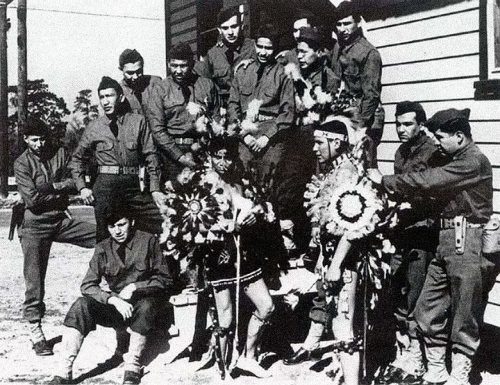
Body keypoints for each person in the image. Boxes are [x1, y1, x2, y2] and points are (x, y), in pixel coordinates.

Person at [369, 108, 496, 385]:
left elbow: (428, 181)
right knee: (427, 308)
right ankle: (436, 370)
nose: (435, 143)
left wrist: (385, 181)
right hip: (446, 240)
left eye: (440, 137)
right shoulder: (452, 158)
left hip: (468, 241)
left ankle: (459, 376)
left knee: (465, 314)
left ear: (460, 137)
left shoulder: (472, 161)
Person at [48, 205, 172, 385]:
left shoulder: (148, 241)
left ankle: (132, 366)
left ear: (132, 222)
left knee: (146, 306)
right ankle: (63, 372)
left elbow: (165, 279)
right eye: (112, 227)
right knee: (81, 305)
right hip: (116, 306)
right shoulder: (103, 248)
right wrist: (111, 299)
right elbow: (88, 285)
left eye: (122, 225)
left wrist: (136, 287)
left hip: (143, 306)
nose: (118, 231)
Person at [14, 118, 96, 356]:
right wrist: (61, 192)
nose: (40, 144)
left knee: (101, 235)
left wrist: (53, 188)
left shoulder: (60, 152)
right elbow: (33, 201)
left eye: (42, 139)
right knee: (35, 279)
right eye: (34, 139)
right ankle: (35, 331)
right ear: (26, 140)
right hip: (33, 225)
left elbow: (76, 178)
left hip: (60, 220)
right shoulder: (22, 163)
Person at [198, 137, 276, 378]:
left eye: (227, 157)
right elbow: (194, 226)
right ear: (209, 158)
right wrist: (219, 227)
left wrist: (254, 217)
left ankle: (248, 357)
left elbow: (256, 208)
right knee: (226, 319)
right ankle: (222, 369)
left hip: (244, 254)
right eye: (217, 157)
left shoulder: (239, 184)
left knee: (267, 306)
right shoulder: (200, 186)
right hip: (219, 257)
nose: (222, 162)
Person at [378, 102, 440, 385]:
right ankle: (406, 349)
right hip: (400, 231)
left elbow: (434, 192)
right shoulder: (400, 152)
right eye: (398, 124)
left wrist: (409, 206)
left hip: (423, 232)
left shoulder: (433, 152)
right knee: (396, 288)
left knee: (417, 293)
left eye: (408, 124)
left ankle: (420, 359)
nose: (401, 130)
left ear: (421, 125)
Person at [69, 76, 166, 242]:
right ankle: (104, 267)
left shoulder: (138, 122)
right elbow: (77, 160)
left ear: (120, 97)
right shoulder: (94, 127)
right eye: (102, 97)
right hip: (105, 186)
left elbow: (151, 155)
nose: (105, 101)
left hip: (133, 186)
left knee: (159, 222)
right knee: (105, 237)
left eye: (109, 96)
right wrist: (82, 187)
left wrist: (155, 188)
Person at [274, 26, 340, 257]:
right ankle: (292, 241)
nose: (299, 56)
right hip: (294, 136)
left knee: (316, 188)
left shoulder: (329, 78)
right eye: (298, 51)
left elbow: (323, 106)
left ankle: (315, 246)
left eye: (304, 52)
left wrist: (303, 82)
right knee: (288, 186)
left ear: (319, 52)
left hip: (316, 137)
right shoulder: (289, 71)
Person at [227, 23, 294, 195]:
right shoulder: (242, 71)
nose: (263, 52)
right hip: (245, 137)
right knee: (243, 186)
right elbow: (233, 106)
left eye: (268, 48)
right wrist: (244, 135)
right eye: (260, 46)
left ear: (276, 48)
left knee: (269, 188)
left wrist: (266, 137)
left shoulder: (283, 73)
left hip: (271, 140)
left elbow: (287, 112)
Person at [147, 42, 220, 181]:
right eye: (174, 65)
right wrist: (180, 157)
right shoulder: (160, 89)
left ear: (192, 64)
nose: (178, 71)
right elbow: (157, 130)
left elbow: (216, 119)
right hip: (171, 156)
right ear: (168, 64)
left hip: (202, 151)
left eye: (183, 66)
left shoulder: (207, 85)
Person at [334, 1, 384, 146]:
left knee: (364, 160)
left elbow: (372, 96)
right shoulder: (339, 48)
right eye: (339, 24)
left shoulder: (368, 53)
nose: (342, 29)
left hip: (367, 118)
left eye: (347, 24)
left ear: (358, 22)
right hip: (347, 113)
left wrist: (358, 126)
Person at [195, 6, 256, 107]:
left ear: (241, 26)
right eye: (225, 28)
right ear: (219, 30)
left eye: (234, 26)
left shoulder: (253, 48)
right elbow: (206, 84)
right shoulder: (213, 54)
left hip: (248, 107)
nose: (230, 32)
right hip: (224, 109)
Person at [118, 48, 163, 116]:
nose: (135, 76)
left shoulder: (156, 83)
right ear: (121, 70)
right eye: (130, 73)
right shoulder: (118, 91)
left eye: (139, 71)